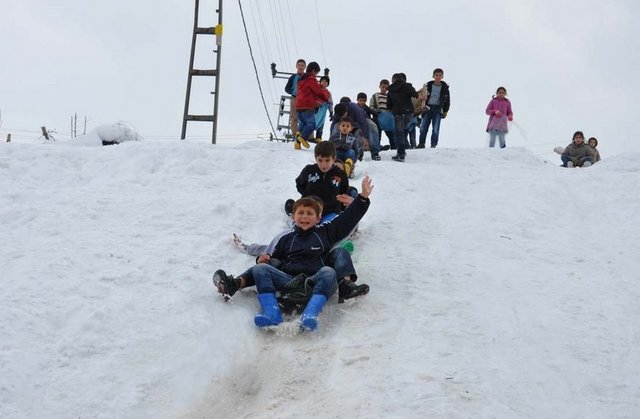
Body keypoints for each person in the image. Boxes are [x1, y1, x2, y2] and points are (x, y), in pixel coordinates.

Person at [219, 177, 374, 331]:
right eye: (301, 213)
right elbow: (273, 260)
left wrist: (362, 197)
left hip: (315, 282)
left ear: (318, 218)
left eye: (310, 213)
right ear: (293, 217)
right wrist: (262, 259)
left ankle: (310, 314)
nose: (305, 216)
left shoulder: (325, 232)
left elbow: (347, 219)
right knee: (261, 269)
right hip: (289, 281)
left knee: (329, 271)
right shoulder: (285, 238)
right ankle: (271, 312)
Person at [294, 141, 350, 220]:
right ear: (315, 158)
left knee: (329, 226)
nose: (323, 165)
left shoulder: (340, 174)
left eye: (327, 160)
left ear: (333, 159)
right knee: (302, 221)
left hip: (330, 211)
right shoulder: (309, 170)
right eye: (320, 160)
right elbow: (300, 184)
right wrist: (307, 195)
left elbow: (343, 192)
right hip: (310, 209)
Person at [295, 62, 330, 149]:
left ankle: (297, 143)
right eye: (316, 73)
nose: (316, 75)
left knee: (302, 124)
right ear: (314, 71)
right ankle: (303, 138)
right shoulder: (311, 79)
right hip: (307, 105)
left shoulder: (301, 79)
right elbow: (318, 91)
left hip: (298, 105)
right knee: (312, 124)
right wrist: (325, 98)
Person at [387, 72, 420, 162]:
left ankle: (401, 154)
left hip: (398, 114)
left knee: (399, 134)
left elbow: (388, 105)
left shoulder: (390, 91)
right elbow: (415, 95)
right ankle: (403, 151)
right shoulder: (407, 86)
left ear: (393, 80)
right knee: (404, 132)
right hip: (408, 114)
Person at [417, 68, 451, 149]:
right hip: (427, 107)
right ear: (433, 76)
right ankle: (421, 143)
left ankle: (433, 145)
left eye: (440, 75)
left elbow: (447, 100)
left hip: (438, 109)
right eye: (436, 75)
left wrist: (445, 111)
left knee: (435, 128)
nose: (438, 77)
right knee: (423, 127)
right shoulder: (428, 86)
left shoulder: (445, 88)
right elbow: (420, 95)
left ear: (442, 77)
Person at [284, 59, 306, 148]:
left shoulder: (307, 77)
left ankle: (304, 136)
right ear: (296, 66)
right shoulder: (293, 77)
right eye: (299, 65)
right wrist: (293, 92)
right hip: (294, 98)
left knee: (305, 117)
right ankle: (294, 135)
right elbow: (286, 88)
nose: (300, 67)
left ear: (305, 67)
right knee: (294, 117)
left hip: (304, 99)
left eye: (302, 65)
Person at [356, 92, 382, 161]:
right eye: (360, 100)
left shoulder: (366, 108)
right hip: (357, 123)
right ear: (357, 100)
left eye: (364, 100)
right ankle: (357, 153)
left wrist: (378, 113)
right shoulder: (355, 108)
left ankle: (375, 152)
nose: (362, 102)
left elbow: (372, 113)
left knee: (373, 126)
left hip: (366, 122)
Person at [370, 79, 395, 149]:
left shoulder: (390, 96)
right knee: (378, 134)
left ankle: (394, 148)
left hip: (387, 118)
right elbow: (371, 107)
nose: (384, 89)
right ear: (380, 86)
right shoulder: (375, 96)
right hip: (378, 117)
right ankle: (377, 148)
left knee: (391, 135)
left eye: (386, 88)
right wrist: (376, 111)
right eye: (382, 87)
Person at [314, 76, 334, 142]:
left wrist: (331, 112)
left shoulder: (328, 93)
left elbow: (330, 103)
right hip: (314, 108)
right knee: (311, 121)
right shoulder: (316, 89)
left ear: (328, 84)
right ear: (320, 82)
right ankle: (309, 135)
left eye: (326, 81)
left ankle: (318, 137)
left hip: (322, 110)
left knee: (321, 122)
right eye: (322, 81)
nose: (324, 82)